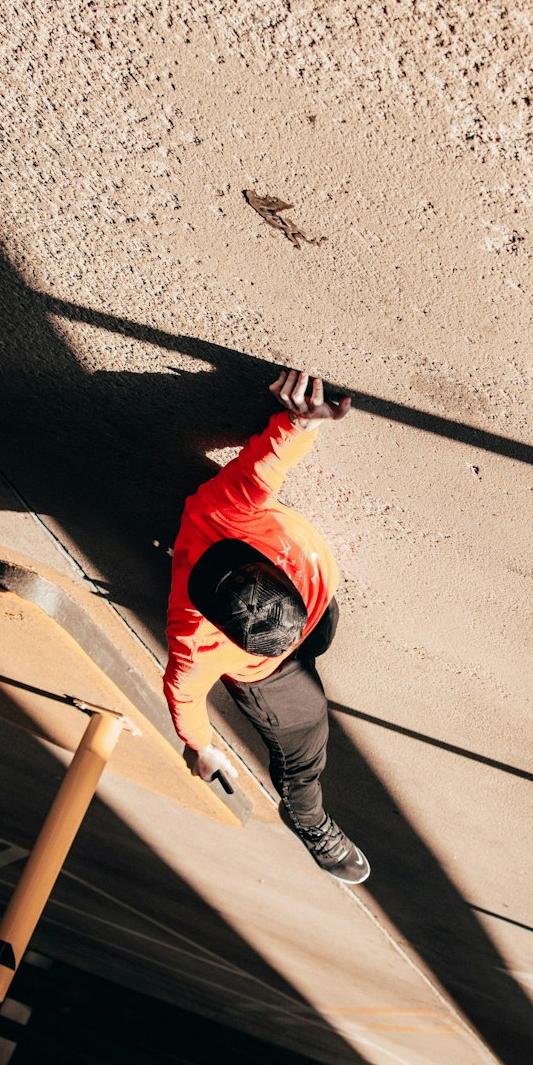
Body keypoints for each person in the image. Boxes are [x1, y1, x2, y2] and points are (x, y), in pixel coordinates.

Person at [163, 368, 370, 885]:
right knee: (306, 746)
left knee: (321, 640)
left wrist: (301, 422)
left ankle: (311, 635)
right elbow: (182, 696)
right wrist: (201, 748)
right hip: (269, 679)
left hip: (312, 618)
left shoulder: (231, 509)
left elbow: (265, 465)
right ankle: (308, 821)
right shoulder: (192, 638)